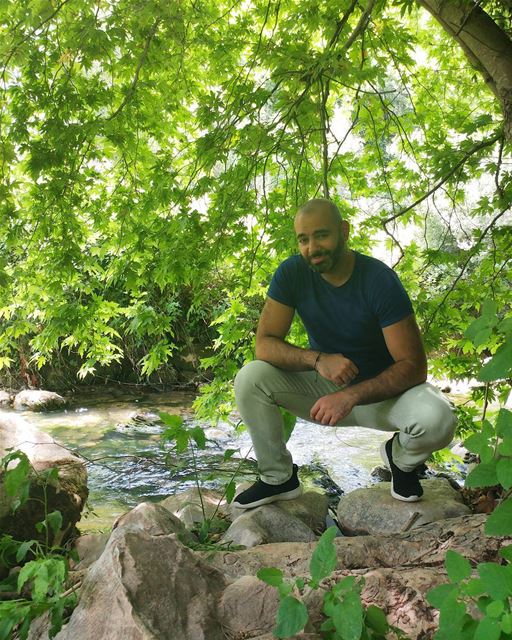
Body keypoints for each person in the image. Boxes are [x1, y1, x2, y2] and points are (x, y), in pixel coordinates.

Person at [233, 198, 456, 509]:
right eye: (303, 239)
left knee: (439, 418)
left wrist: (351, 395)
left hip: (383, 396)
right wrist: (317, 360)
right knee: (250, 377)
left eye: (321, 235)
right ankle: (278, 477)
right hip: (324, 389)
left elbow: (414, 367)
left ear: (344, 231)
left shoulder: (378, 280)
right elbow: (265, 344)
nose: (312, 247)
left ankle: (401, 460)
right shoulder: (292, 273)